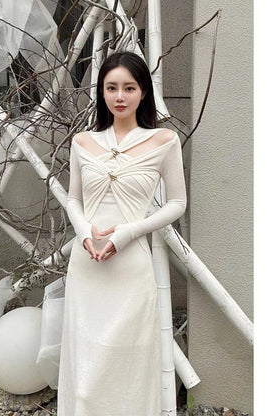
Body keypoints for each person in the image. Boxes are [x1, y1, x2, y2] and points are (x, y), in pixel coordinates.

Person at [57, 51, 187, 416]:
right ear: (101, 91)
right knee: (85, 362)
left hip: (131, 266)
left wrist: (129, 232)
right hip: (87, 265)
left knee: (128, 361)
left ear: (143, 92)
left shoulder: (164, 140)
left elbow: (177, 203)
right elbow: (73, 198)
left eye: (129, 88)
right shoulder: (82, 142)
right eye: (111, 87)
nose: (119, 96)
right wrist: (84, 231)